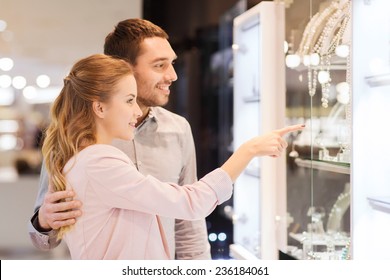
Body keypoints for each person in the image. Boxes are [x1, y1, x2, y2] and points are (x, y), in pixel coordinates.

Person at [40, 53, 304, 259]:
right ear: (99, 107)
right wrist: (249, 151)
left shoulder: (85, 159)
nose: (136, 111)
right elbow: (190, 203)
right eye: (129, 100)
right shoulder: (99, 161)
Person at [28, 18, 211, 259]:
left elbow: (189, 227)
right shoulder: (75, 136)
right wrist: (44, 221)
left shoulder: (178, 129)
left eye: (172, 64)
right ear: (124, 67)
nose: (173, 75)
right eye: (159, 65)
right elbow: (43, 239)